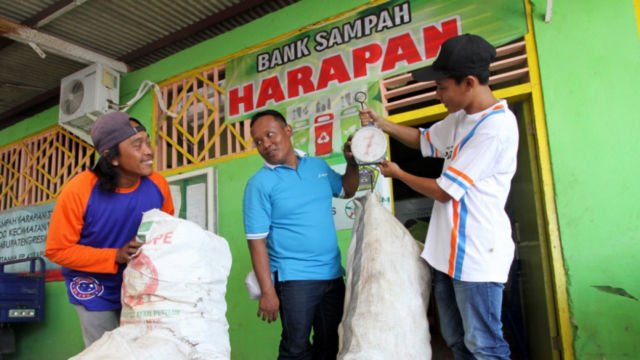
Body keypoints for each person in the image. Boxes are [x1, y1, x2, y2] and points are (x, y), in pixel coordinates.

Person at [359, 34, 517, 360]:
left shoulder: (495, 128)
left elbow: (445, 192)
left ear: (469, 82)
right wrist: (381, 124)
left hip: (476, 258)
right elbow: (424, 141)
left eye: (442, 86)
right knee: (457, 341)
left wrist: (399, 174)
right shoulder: (460, 118)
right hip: (446, 255)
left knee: (484, 346)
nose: (437, 94)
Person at [45, 111, 174, 347]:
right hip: (94, 287)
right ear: (111, 156)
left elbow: (167, 231)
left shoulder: (158, 184)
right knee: (107, 351)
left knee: (142, 348)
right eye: (137, 145)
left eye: (147, 141)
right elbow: (57, 250)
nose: (148, 151)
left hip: (138, 282)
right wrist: (114, 255)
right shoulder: (78, 191)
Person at [243, 109, 360, 359]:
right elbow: (256, 243)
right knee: (295, 348)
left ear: (288, 131)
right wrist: (267, 291)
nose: (265, 144)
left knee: (331, 344)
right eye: (258, 141)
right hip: (294, 280)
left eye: (270, 135)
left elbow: (347, 190)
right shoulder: (259, 184)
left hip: (331, 274)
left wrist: (352, 163)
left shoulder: (317, 166)